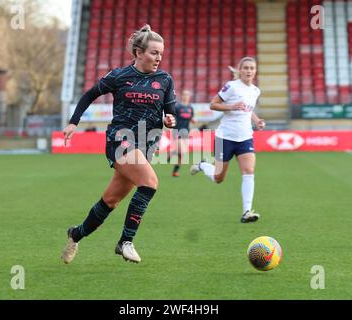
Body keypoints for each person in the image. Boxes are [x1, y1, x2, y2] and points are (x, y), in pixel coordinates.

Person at [61, 24, 176, 264]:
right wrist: (73, 122)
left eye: (161, 54)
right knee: (150, 183)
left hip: (145, 147)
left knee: (110, 201)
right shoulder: (119, 76)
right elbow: (89, 95)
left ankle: (76, 234)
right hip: (120, 140)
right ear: (138, 52)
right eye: (154, 53)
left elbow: (170, 110)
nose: (158, 58)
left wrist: (170, 118)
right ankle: (126, 242)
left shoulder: (165, 79)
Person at [190, 57, 265, 223]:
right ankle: (202, 165)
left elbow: (248, 109)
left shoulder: (255, 91)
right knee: (218, 178)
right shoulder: (231, 87)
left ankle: (247, 211)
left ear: (255, 71)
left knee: (249, 171)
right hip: (224, 137)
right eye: (245, 68)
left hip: (245, 137)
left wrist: (256, 120)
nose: (249, 71)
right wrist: (231, 106)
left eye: (252, 68)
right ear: (240, 70)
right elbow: (213, 104)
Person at [169, 90, 195, 177]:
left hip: (186, 132)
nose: (185, 96)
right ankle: (172, 153)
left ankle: (175, 171)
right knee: (182, 152)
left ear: (189, 97)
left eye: (187, 95)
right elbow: (172, 116)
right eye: (184, 94)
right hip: (177, 131)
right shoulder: (178, 106)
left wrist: (192, 120)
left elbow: (190, 117)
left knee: (182, 156)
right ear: (182, 96)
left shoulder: (190, 108)